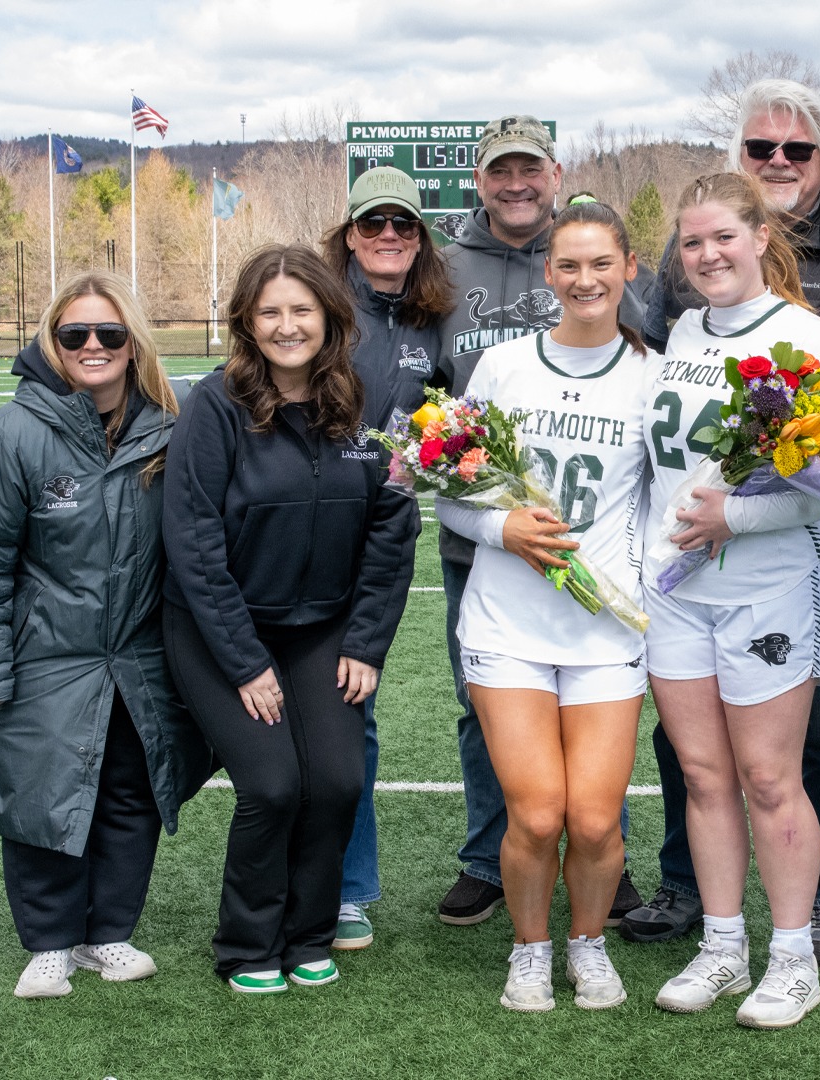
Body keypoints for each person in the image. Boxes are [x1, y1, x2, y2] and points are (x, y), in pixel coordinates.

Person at [622, 77, 820, 967]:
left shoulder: (810, 339)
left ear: (760, 239)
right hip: (676, 594)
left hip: (768, 586)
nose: (708, 255)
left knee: (771, 778)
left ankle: (793, 957)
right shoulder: (679, 338)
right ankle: (723, 948)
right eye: (693, 244)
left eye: (724, 237)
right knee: (702, 776)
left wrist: (742, 513)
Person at [0, 270, 208, 999]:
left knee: (131, 792)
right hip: (48, 655)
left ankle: (109, 931)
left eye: (110, 334)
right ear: (52, 343)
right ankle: (50, 940)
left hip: (142, 655)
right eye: (75, 334)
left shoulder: (171, 424)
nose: (93, 346)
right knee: (42, 797)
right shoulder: (9, 434)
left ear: (133, 343)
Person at [161, 244, 418, 993]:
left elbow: (392, 529)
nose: (286, 325)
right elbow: (194, 543)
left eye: (301, 309)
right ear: (246, 321)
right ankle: (247, 945)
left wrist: (366, 643)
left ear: (330, 316)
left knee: (337, 781)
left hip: (324, 628)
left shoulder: (367, 404)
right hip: (221, 629)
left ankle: (308, 935)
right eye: (269, 311)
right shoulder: (215, 407)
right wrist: (245, 662)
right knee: (273, 785)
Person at [431, 201, 652, 1012]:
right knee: (535, 813)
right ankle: (530, 950)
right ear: (548, 273)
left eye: (602, 264)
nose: (585, 280)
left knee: (593, 822)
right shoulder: (502, 367)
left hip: (604, 629)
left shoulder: (653, 375)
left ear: (631, 268)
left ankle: (587, 945)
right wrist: (503, 527)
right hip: (508, 625)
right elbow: (449, 496)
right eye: (569, 265)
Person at [320, 165, 455, 950]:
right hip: (302, 529)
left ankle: (348, 889)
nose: (389, 237)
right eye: (373, 224)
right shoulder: (319, 304)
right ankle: (298, 872)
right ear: (348, 233)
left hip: (383, 538)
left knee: (352, 708)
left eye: (403, 224)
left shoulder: (431, 320)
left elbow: (452, 413)